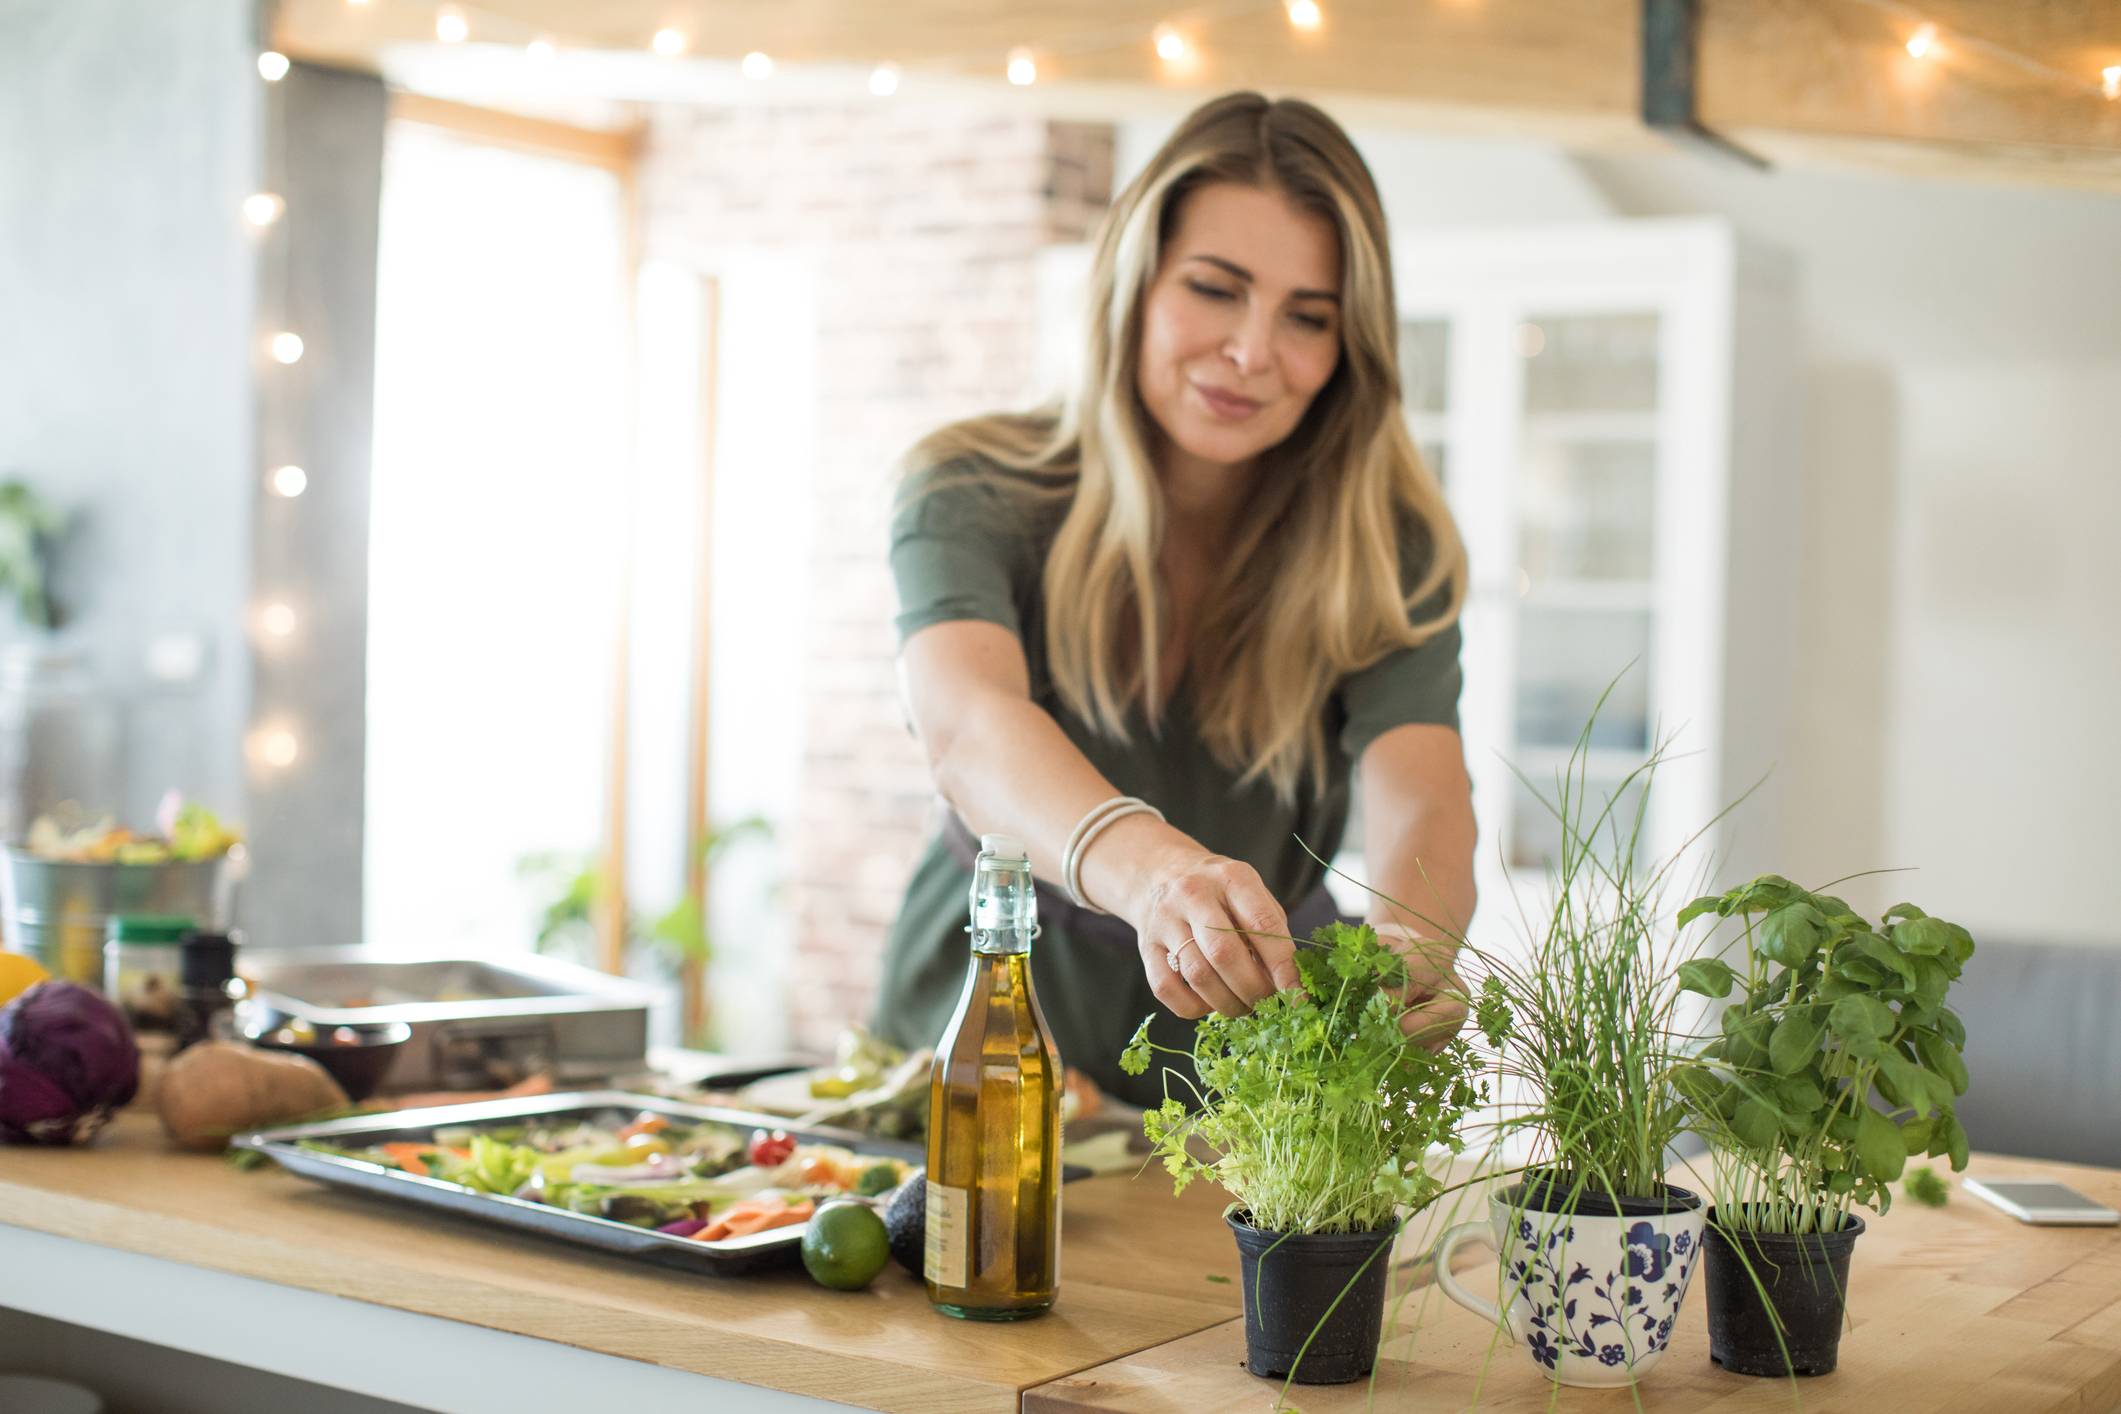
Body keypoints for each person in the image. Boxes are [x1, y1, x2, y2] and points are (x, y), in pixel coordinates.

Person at [873, 92, 1476, 1110]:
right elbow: (968, 729)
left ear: (1350, 347)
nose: (1251, 351)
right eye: (1214, 288)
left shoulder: (1391, 546)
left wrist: (1413, 947)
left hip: (1258, 1047)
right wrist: (1158, 879)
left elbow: (1423, 794)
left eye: (1307, 317)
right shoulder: (967, 486)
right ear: (1134, 282)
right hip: (988, 1001)